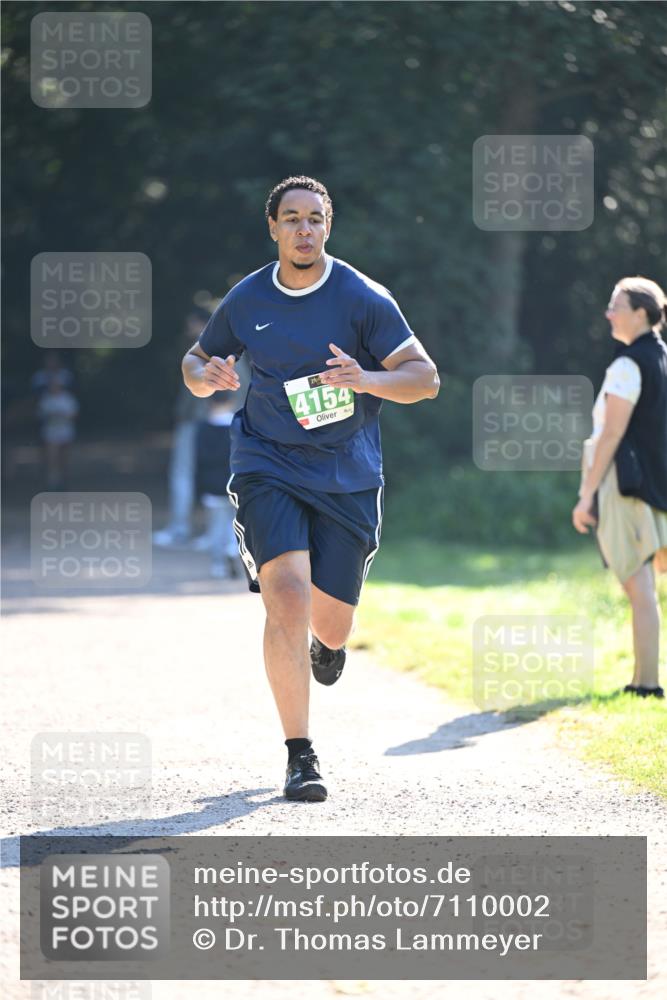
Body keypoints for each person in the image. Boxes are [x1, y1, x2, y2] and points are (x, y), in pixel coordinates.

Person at [182, 175, 439, 801]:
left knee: (333, 622)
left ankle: (328, 647)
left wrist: (367, 379)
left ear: (329, 226)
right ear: (273, 227)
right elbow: (194, 363)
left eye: (315, 219)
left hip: (346, 471)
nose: (304, 229)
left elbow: (425, 379)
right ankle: (300, 754)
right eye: (291, 218)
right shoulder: (247, 298)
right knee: (287, 595)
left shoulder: (363, 297)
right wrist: (207, 375)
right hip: (266, 460)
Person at [573, 276, 667, 699]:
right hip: (655, 485)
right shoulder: (661, 357)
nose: (608, 313)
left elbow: (610, 436)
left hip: (626, 487)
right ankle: (645, 679)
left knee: (638, 584)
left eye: (616, 305)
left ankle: (646, 684)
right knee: (647, 584)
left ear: (640, 314)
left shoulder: (628, 365)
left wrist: (586, 494)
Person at [153, 308, 211, 547]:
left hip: (199, 422)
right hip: (216, 422)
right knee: (216, 477)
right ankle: (215, 533)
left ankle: (181, 528)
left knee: (183, 474)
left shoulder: (207, 348)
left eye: (192, 324)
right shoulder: (228, 346)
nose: (189, 330)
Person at [37, 374, 79, 489]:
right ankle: (53, 482)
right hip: (50, 432)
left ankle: (65, 481)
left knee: (64, 458)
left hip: (65, 431)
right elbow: (41, 415)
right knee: (52, 457)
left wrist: (62, 416)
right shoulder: (46, 399)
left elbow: (74, 414)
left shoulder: (67, 399)